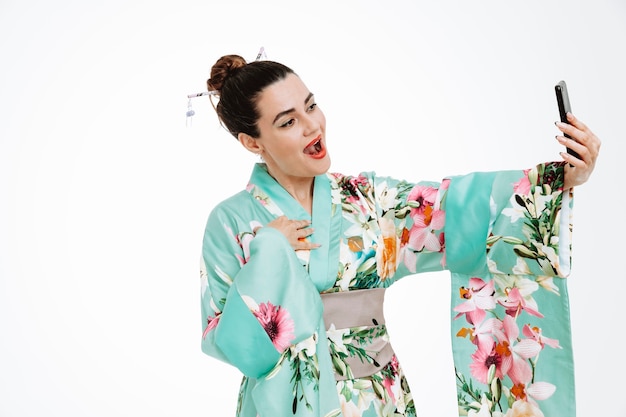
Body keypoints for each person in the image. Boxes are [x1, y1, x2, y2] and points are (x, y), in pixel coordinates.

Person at [198, 53, 600, 417]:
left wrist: (560, 179)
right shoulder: (231, 221)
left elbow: (455, 208)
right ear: (252, 141)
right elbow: (227, 341)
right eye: (288, 122)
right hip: (285, 405)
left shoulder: (367, 200)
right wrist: (269, 249)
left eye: (311, 106)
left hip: (377, 397)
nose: (311, 126)